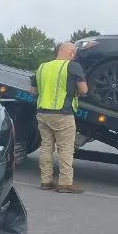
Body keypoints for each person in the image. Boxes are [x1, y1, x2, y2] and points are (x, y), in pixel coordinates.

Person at [29, 41, 87, 193]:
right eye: (74, 54)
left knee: (46, 147)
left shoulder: (42, 67)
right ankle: (65, 183)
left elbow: (33, 91)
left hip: (42, 113)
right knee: (66, 149)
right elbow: (84, 90)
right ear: (71, 53)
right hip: (62, 114)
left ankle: (46, 181)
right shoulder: (72, 66)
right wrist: (75, 93)